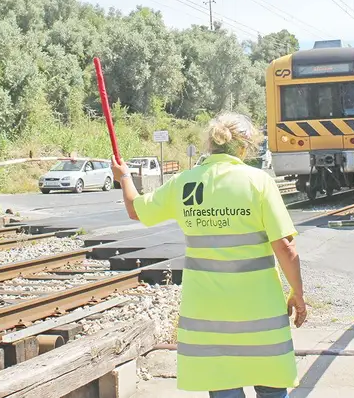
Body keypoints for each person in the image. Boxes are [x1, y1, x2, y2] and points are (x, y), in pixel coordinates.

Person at [111, 112, 307, 398]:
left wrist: (124, 176)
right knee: (272, 387)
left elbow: (135, 209)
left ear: (210, 145)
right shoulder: (258, 182)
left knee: (224, 387)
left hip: (208, 316)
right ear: (244, 147)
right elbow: (285, 248)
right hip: (260, 312)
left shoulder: (185, 183)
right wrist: (297, 294)